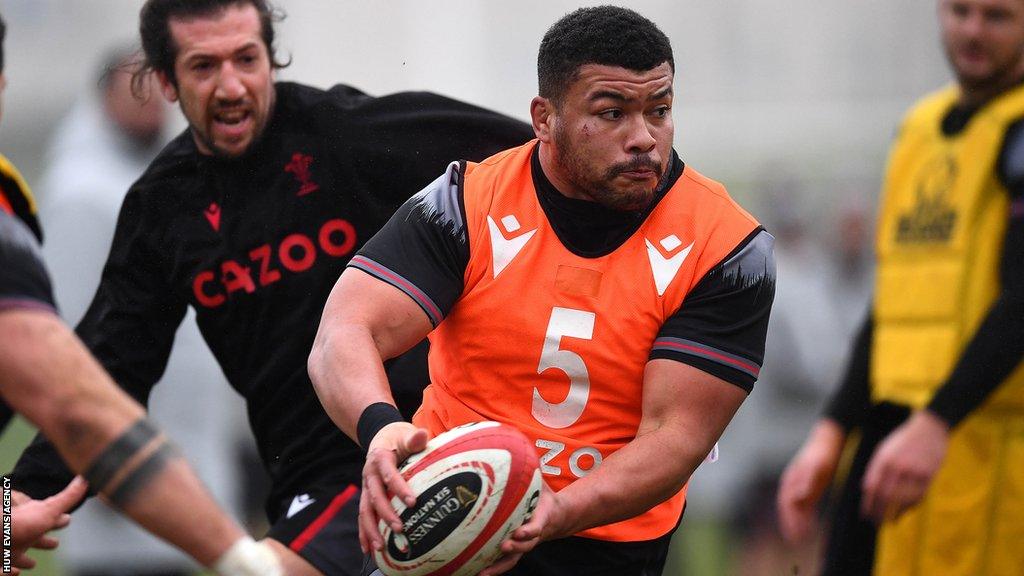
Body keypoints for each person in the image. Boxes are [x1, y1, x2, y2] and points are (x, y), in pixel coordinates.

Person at [7, 1, 533, 575]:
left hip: (427, 445)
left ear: (270, 59)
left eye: (246, 59)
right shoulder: (163, 205)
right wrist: (21, 499)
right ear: (165, 80)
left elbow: (532, 159)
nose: (232, 85)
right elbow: (110, 366)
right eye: (204, 67)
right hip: (311, 476)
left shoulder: (344, 135)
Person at [308, 6, 777, 576]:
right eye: (611, 113)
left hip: (604, 545)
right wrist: (381, 430)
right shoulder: (467, 203)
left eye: (660, 111)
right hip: (449, 513)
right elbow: (344, 331)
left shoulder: (728, 247)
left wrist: (550, 511)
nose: (643, 139)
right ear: (544, 117)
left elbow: (674, 439)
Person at [0, 12, 283, 575]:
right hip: (118, 467)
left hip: (161, 453)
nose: (151, 104)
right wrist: (240, 561)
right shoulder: (81, 193)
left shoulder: (167, 180)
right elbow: (71, 364)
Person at [776, 1, 1024, 574]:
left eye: (997, 16)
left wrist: (937, 423)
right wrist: (832, 433)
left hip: (985, 446)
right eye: (960, 11)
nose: (973, 30)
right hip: (892, 442)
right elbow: (892, 304)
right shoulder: (918, 129)